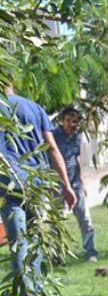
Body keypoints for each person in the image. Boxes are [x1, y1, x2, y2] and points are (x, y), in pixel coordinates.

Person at [0, 84, 76, 273]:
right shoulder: (35, 108)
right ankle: (35, 295)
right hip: (38, 185)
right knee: (36, 243)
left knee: (19, 245)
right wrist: (66, 186)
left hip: (9, 186)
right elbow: (52, 149)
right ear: (12, 83)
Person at [52, 107, 98, 262]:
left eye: (75, 122)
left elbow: (76, 162)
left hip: (75, 184)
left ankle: (90, 251)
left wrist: (82, 183)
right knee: (57, 222)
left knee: (85, 219)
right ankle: (57, 255)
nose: (72, 124)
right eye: (68, 121)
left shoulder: (77, 138)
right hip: (55, 186)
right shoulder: (52, 136)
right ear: (62, 121)